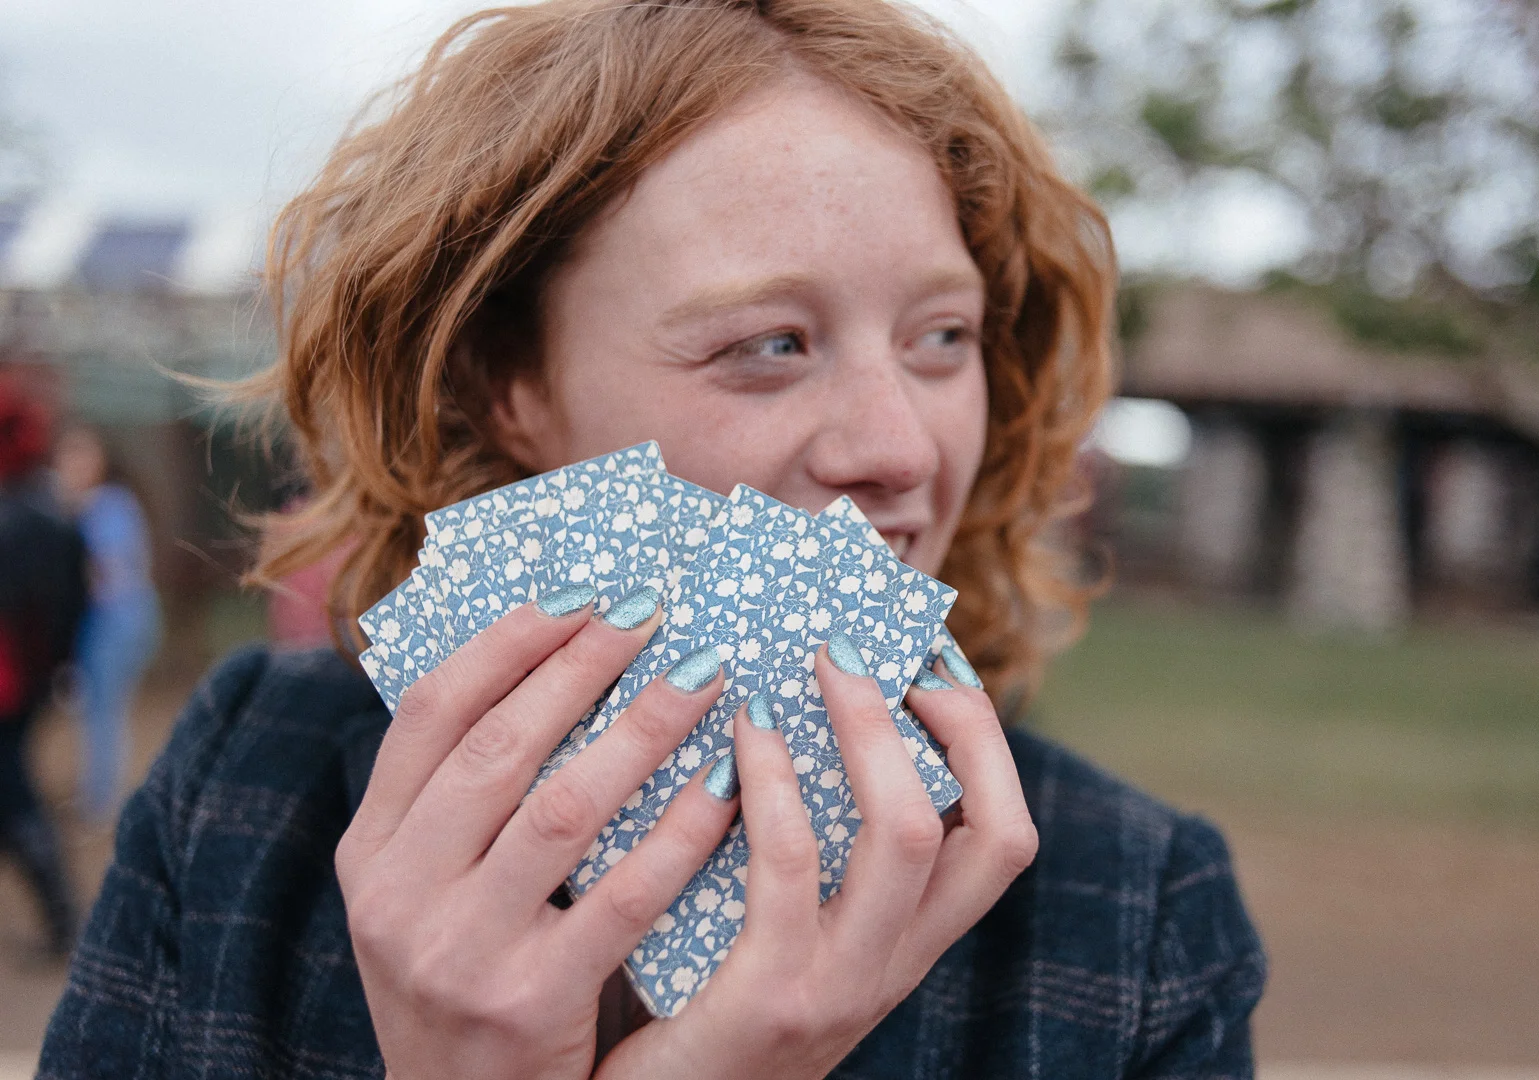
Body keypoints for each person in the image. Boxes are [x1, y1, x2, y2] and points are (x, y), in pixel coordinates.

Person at [40, 1, 1266, 1077]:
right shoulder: (247, 785)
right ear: (510, 385)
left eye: (941, 336)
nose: (900, 447)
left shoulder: (1137, 914)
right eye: (769, 344)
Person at [0, 380, 87, 958]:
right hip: (25, 680)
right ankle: (62, 922)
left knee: (17, 797)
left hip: (11, 681)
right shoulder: (49, 513)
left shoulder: (27, 515)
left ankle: (64, 924)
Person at [52, 425, 162, 823]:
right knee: (99, 711)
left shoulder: (107, 506)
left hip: (118, 624)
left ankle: (102, 800)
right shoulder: (93, 505)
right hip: (109, 624)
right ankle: (97, 793)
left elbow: (109, 575)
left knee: (104, 711)